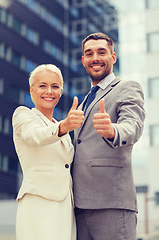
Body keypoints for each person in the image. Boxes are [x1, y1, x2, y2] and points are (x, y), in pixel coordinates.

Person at [72, 32, 145, 240]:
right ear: (83, 60)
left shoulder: (126, 88)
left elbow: (132, 126)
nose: (95, 57)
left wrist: (113, 130)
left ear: (113, 57)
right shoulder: (86, 101)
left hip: (111, 204)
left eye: (101, 52)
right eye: (89, 53)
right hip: (80, 207)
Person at [12, 64, 84, 240]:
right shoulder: (23, 115)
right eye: (42, 86)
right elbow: (34, 136)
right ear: (32, 90)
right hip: (39, 202)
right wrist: (63, 127)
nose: (49, 91)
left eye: (55, 86)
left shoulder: (60, 127)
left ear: (61, 91)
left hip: (66, 205)